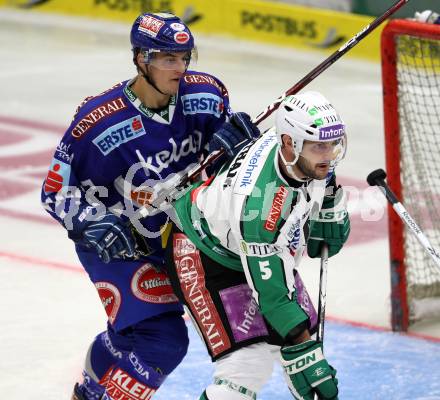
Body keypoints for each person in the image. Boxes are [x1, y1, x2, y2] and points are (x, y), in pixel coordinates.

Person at [41, 12, 259, 400]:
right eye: (167, 58)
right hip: (120, 246)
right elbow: (55, 192)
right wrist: (93, 220)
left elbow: (222, 166)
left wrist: (240, 149)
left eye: (185, 57)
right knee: (162, 339)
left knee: (132, 333)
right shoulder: (97, 123)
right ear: (141, 59)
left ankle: (90, 392)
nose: (180, 68)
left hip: (181, 235)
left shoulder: (207, 95)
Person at [164, 91, 350, 400]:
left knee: (301, 339)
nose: (329, 155)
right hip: (204, 253)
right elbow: (273, 296)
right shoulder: (258, 206)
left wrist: (329, 202)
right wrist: (301, 348)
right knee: (246, 369)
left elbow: (317, 220)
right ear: (290, 143)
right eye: (320, 146)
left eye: (333, 143)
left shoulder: (304, 157)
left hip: (257, 248)